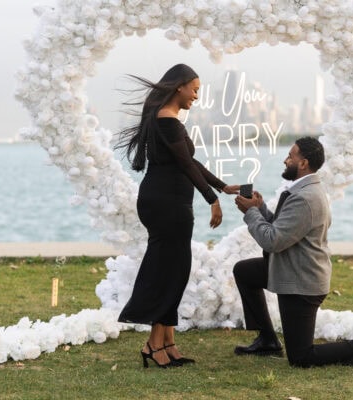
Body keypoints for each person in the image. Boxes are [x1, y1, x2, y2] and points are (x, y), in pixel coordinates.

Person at [232, 137, 353, 367]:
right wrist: (260, 209)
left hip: (302, 282)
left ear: (303, 163)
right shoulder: (304, 190)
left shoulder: (304, 198)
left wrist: (251, 213)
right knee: (244, 271)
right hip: (291, 267)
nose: (286, 159)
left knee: (301, 357)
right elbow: (284, 229)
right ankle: (267, 339)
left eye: (290, 156)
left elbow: (272, 241)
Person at [115, 64, 239, 369]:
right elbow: (185, 165)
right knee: (169, 270)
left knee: (175, 269)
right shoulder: (167, 122)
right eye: (195, 89)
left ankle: (167, 341)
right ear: (179, 87)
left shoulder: (167, 122)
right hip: (166, 205)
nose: (197, 96)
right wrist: (213, 200)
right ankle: (154, 344)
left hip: (167, 203)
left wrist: (222, 187)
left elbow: (190, 161)